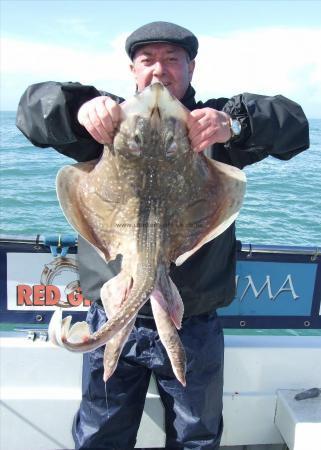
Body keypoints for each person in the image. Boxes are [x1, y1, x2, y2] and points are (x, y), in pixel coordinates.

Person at [16, 21, 309, 450]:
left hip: (191, 319)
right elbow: (31, 111)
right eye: (147, 60)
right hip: (113, 310)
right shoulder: (109, 121)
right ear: (132, 69)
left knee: (196, 437)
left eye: (172, 60)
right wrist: (78, 110)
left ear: (191, 67)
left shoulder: (211, 125)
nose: (159, 70)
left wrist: (237, 124)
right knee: (100, 435)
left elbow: (295, 127)